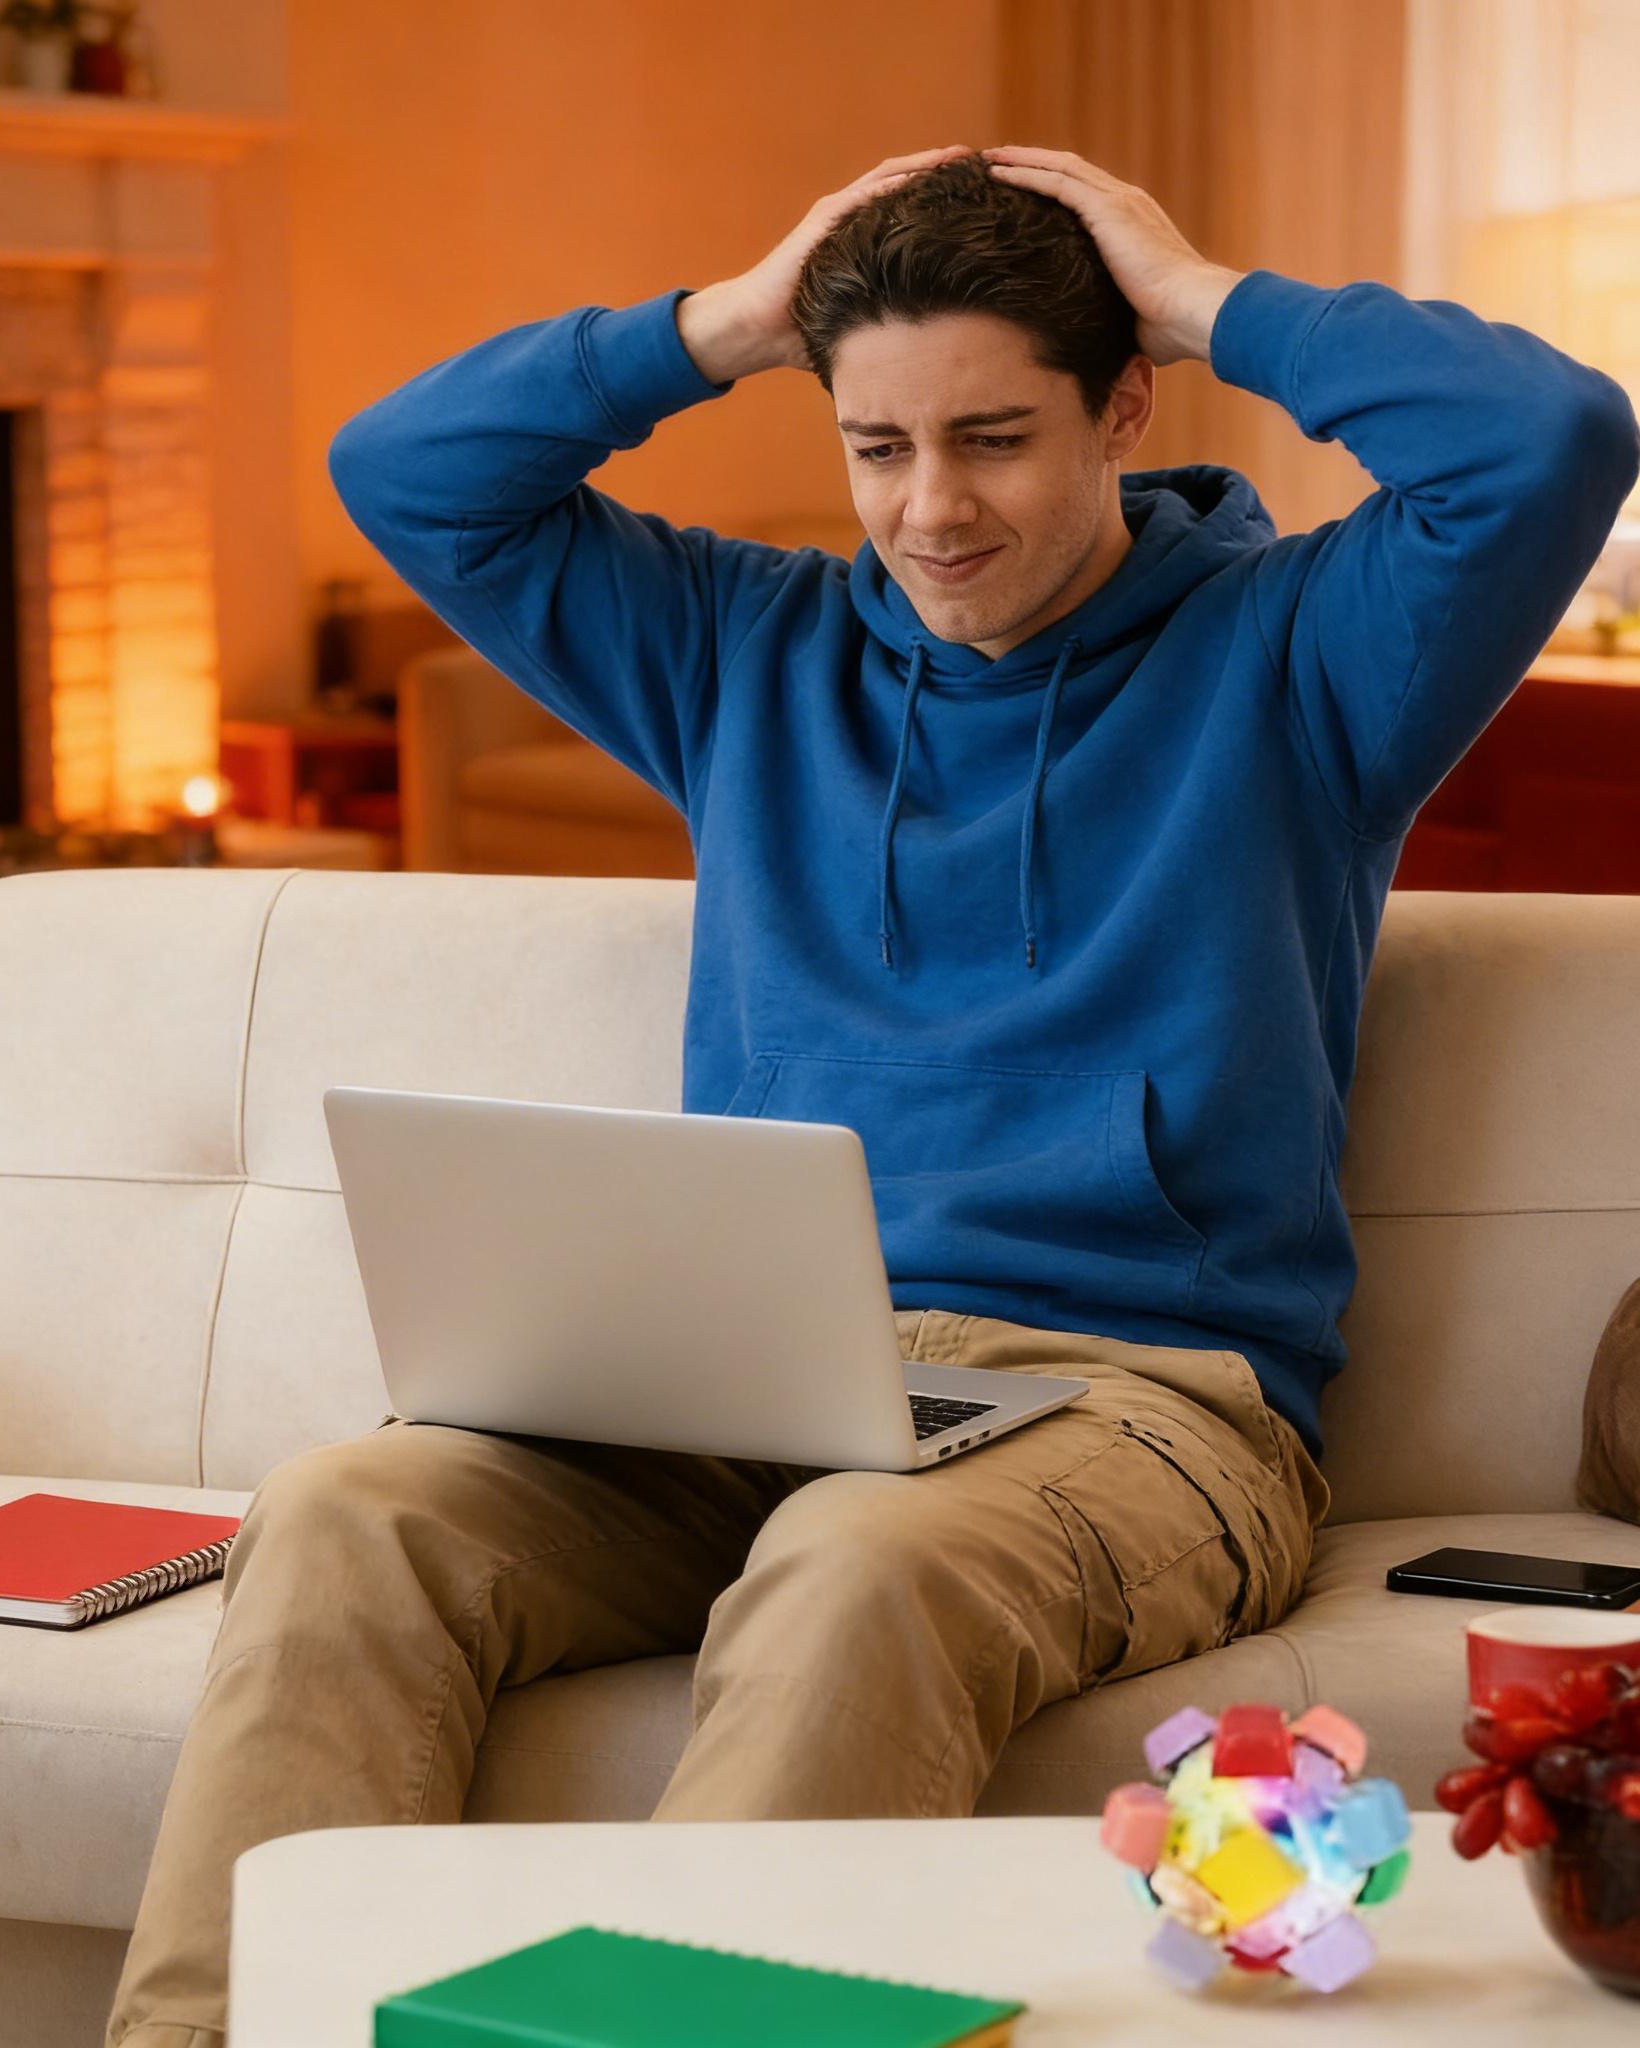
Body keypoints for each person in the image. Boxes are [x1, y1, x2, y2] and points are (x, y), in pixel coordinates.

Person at [103, 143, 1640, 2047]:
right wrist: (726, 322)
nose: (931, 510)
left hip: (1147, 1407)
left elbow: (1551, 436)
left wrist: (1194, 283)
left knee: (859, 1560)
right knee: (346, 1510)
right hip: (754, 1387)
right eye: (878, 446)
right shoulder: (747, 652)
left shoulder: (1307, 658)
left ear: (1126, 405)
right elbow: (405, 472)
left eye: (992, 438)